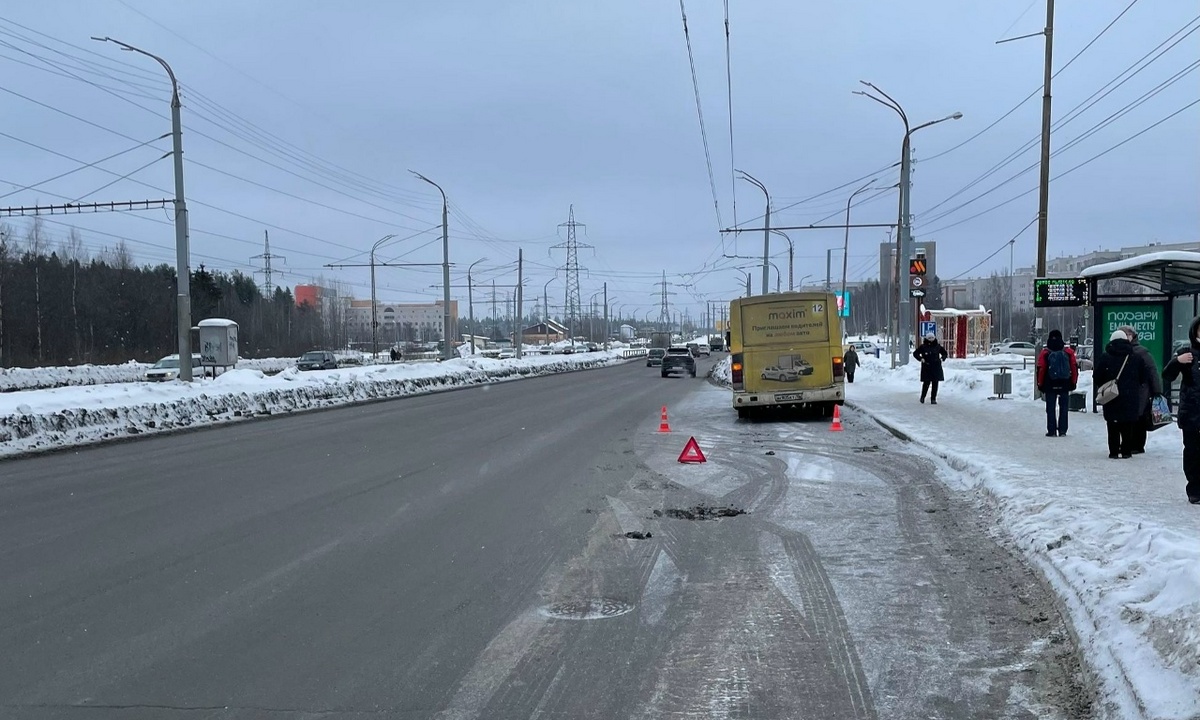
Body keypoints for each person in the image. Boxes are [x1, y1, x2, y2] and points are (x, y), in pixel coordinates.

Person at [1093, 328, 1150, 459]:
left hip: (1111, 396)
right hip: (1130, 396)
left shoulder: (1105, 357)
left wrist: (1104, 384)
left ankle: (1113, 451)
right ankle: (1126, 451)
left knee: (1112, 424)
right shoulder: (1135, 357)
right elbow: (1144, 377)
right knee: (1127, 424)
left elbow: (1097, 376)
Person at [1161, 317, 1200, 504]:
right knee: (1192, 453)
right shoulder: (1187, 354)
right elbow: (1167, 375)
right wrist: (1178, 361)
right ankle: (1195, 489)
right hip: (1192, 412)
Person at [1118, 324, 1162, 454]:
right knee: (1131, 416)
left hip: (1141, 389)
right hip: (1129, 389)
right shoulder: (1123, 351)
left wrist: (1156, 390)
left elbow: (1152, 371)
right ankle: (1130, 443)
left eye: (1125, 335)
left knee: (1140, 416)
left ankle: (1137, 445)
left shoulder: (1141, 352)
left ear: (1132, 336)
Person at [1035, 329, 1078, 437]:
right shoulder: (1068, 352)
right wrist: (1073, 382)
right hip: (1065, 383)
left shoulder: (1045, 352)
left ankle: (1052, 430)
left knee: (1050, 407)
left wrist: (1040, 384)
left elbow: (1041, 369)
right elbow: (1074, 367)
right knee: (1064, 407)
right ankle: (1063, 430)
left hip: (1050, 383)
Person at [913, 333, 947, 404]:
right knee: (926, 383)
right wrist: (921, 358)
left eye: (932, 338)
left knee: (935, 383)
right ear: (927, 339)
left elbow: (944, 353)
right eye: (930, 338)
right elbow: (915, 353)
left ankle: (933, 399)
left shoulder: (938, 346)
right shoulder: (923, 347)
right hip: (927, 367)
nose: (931, 340)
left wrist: (942, 358)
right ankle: (923, 397)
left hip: (936, 367)